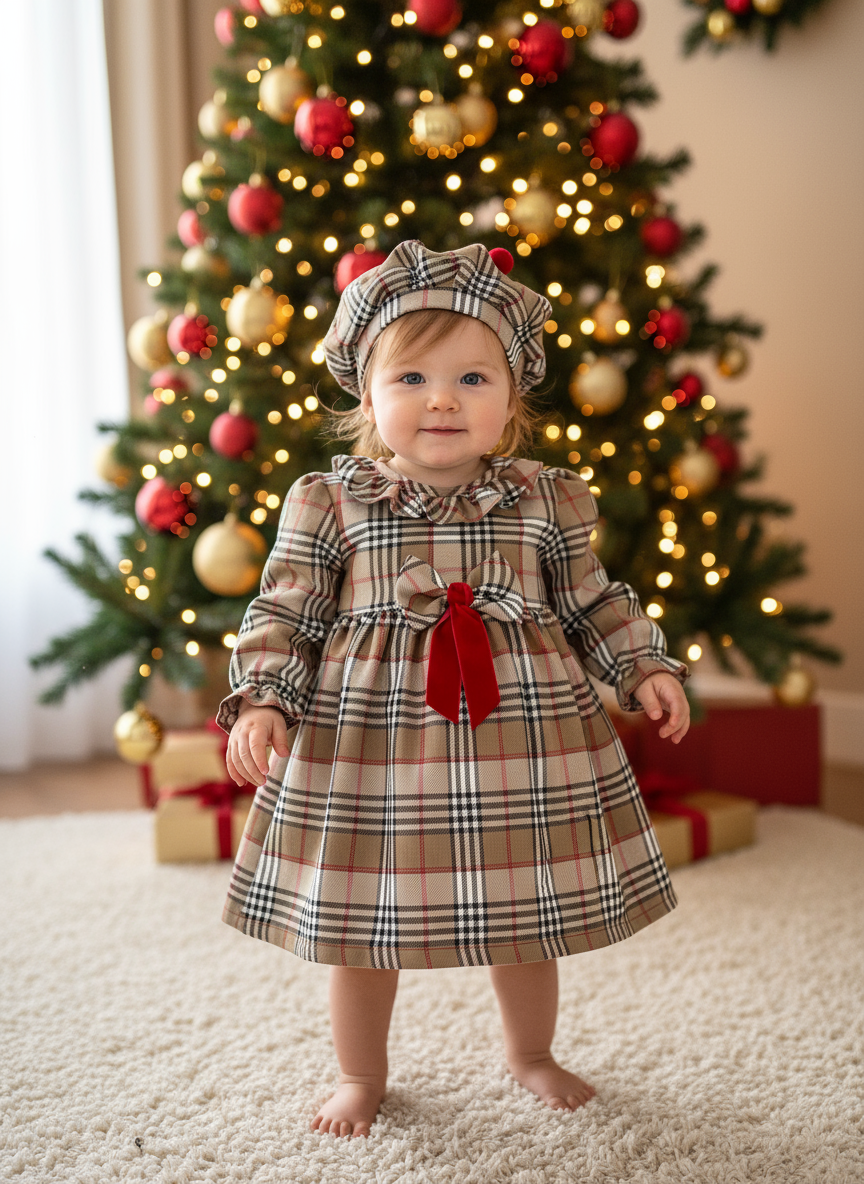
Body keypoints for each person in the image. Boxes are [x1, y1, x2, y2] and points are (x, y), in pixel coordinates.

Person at [219, 240, 690, 1139]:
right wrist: (267, 697)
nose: (443, 399)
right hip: (372, 753)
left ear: (512, 399)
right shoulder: (332, 503)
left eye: (474, 377)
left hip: (521, 742)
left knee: (525, 913)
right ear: (368, 395)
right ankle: (362, 1072)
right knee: (365, 922)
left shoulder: (544, 500)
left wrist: (646, 665)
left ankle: (530, 1054)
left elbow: (594, 600)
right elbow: (285, 611)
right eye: (413, 379)